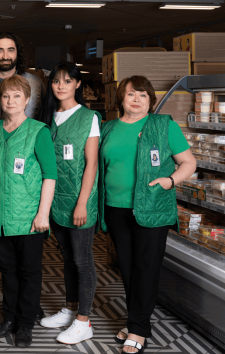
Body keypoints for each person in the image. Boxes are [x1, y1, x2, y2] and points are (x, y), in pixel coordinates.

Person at [99, 76, 196, 353]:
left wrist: (170, 181)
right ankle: (136, 321)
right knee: (128, 267)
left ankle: (138, 329)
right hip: (115, 207)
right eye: (131, 94)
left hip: (152, 206)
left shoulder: (163, 125)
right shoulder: (108, 128)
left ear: (150, 100)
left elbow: (189, 162)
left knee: (146, 267)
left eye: (143, 95)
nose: (137, 99)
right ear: (121, 98)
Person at [0, 32, 46, 316]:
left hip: (28, 199)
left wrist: (43, 212)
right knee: (5, 265)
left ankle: (27, 316)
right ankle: (6, 314)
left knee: (28, 266)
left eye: (11, 49)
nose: (5, 55)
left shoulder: (36, 89)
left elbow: (49, 174)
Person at [0, 75, 56, 348]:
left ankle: (25, 323)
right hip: (1, 215)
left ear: (27, 100)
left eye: (17, 96)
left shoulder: (38, 131)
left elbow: (50, 175)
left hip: (29, 217)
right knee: (7, 271)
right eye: (6, 96)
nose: (11, 101)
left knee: (29, 272)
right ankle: (10, 318)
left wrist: (43, 214)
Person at [37, 62, 101, 344]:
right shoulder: (48, 117)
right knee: (67, 258)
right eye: (56, 81)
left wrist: (82, 203)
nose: (61, 86)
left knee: (82, 260)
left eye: (67, 80)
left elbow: (91, 164)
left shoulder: (88, 117)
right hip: (55, 199)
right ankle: (71, 308)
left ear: (78, 84)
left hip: (78, 200)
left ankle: (84, 321)